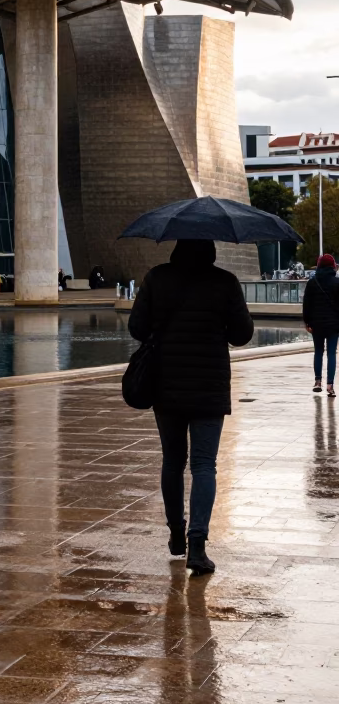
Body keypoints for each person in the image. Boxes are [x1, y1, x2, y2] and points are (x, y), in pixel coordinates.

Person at [128, 239, 254, 575]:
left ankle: (175, 532)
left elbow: (136, 328)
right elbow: (242, 335)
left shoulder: (157, 278)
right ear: (211, 249)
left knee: (172, 460)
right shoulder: (225, 281)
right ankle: (197, 545)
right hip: (209, 388)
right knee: (203, 465)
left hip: (166, 385)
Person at [302, 253, 339, 397]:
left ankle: (318, 382)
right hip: (334, 325)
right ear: (332, 266)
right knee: (331, 354)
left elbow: (306, 305)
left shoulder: (312, 283)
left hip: (316, 324)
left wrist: (307, 322)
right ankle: (330, 385)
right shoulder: (337, 283)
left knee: (318, 352)